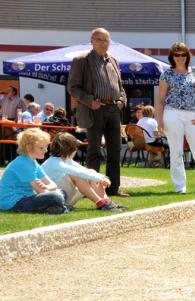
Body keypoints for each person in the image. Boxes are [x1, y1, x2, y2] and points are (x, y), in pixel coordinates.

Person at [68, 27, 128, 197]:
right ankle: (93, 189)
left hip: (113, 110)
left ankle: (113, 188)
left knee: (115, 151)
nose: (103, 43)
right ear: (92, 41)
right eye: (99, 40)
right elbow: (72, 88)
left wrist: (122, 100)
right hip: (93, 109)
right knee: (94, 152)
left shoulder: (113, 60)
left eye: (106, 40)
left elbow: (121, 87)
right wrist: (90, 101)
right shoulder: (81, 60)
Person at [156, 41, 195, 194]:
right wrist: (159, 122)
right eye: (177, 55)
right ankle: (179, 187)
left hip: (193, 115)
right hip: (172, 113)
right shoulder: (166, 74)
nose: (180, 57)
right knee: (176, 152)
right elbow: (160, 100)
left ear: (188, 55)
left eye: (183, 54)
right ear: (172, 56)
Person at [42, 132, 127, 211]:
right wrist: (100, 178)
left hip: (62, 196)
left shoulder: (65, 160)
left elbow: (85, 171)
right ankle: (100, 203)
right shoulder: (55, 162)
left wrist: (100, 177)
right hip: (54, 199)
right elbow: (77, 172)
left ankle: (106, 202)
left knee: (91, 172)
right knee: (77, 175)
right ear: (70, 149)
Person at [0, 128, 68, 214]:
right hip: (13, 202)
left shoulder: (33, 162)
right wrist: (49, 191)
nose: (46, 150)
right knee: (55, 196)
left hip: (26, 198)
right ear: (28, 147)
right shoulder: (23, 163)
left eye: (46, 147)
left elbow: (53, 184)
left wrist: (46, 188)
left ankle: (55, 208)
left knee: (62, 193)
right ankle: (61, 207)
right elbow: (40, 190)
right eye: (41, 148)